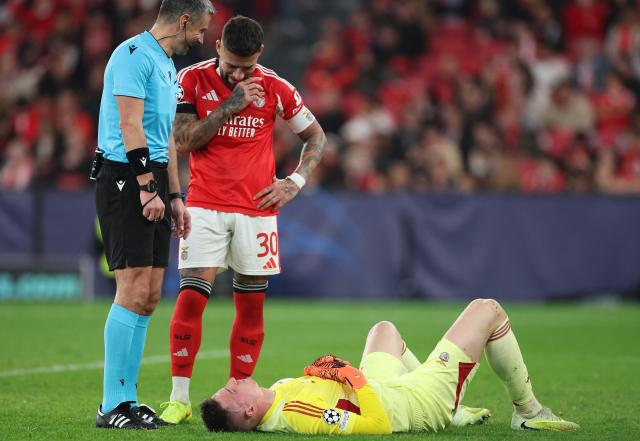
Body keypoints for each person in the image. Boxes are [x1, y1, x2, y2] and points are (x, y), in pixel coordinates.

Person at [159, 15, 327, 424]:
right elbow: (182, 141)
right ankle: (178, 399)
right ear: (217, 46)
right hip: (205, 205)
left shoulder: (275, 86)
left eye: (247, 67)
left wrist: (294, 182)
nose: (239, 73)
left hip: (257, 211)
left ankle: (239, 392)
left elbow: (316, 136)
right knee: (191, 297)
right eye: (232, 64)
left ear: (260, 56)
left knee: (251, 307)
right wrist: (233, 104)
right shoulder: (192, 80)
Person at [94, 0, 214, 430]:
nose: (202, 39)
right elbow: (130, 126)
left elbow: (167, 136)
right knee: (130, 288)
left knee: (148, 293)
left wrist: (176, 195)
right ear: (182, 20)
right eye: (200, 30)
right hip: (126, 177)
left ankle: (129, 400)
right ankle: (112, 405)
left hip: (156, 181)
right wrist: (147, 188)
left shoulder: (165, 64)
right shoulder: (131, 55)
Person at [201, 298, 580, 434]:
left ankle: (461, 411)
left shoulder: (279, 392)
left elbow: (334, 391)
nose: (234, 378)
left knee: (384, 330)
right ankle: (527, 411)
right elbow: (377, 425)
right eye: (232, 389)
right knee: (489, 310)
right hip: (414, 404)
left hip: (384, 388)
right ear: (249, 410)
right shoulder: (300, 416)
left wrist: (325, 369)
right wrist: (354, 377)